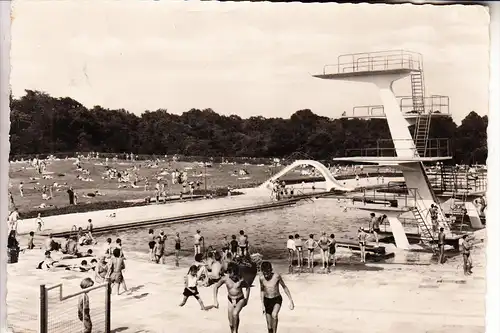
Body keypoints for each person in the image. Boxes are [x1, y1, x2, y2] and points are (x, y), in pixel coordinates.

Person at [213, 263, 251, 333]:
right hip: (230, 300)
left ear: (236, 273)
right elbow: (216, 287)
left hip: (240, 299)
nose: (231, 276)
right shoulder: (225, 279)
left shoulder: (241, 279)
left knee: (235, 313)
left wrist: (246, 299)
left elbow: (248, 287)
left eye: (233, 274)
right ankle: (233, 330)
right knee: (231, 324)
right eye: (229, 273)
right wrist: (215, 300)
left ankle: (235, 331)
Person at [259, 261, 294, 333]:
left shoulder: (276, 276)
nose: (266, 275)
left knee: (274, 315)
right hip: (267, 300)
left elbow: (284, 287)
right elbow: (262, 290)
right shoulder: (261, 278)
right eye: (264, 273)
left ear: (270, 270)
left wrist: (291, 300)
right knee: (269, 327)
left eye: (267, 273)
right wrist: (262, 304)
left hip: (276, 299)